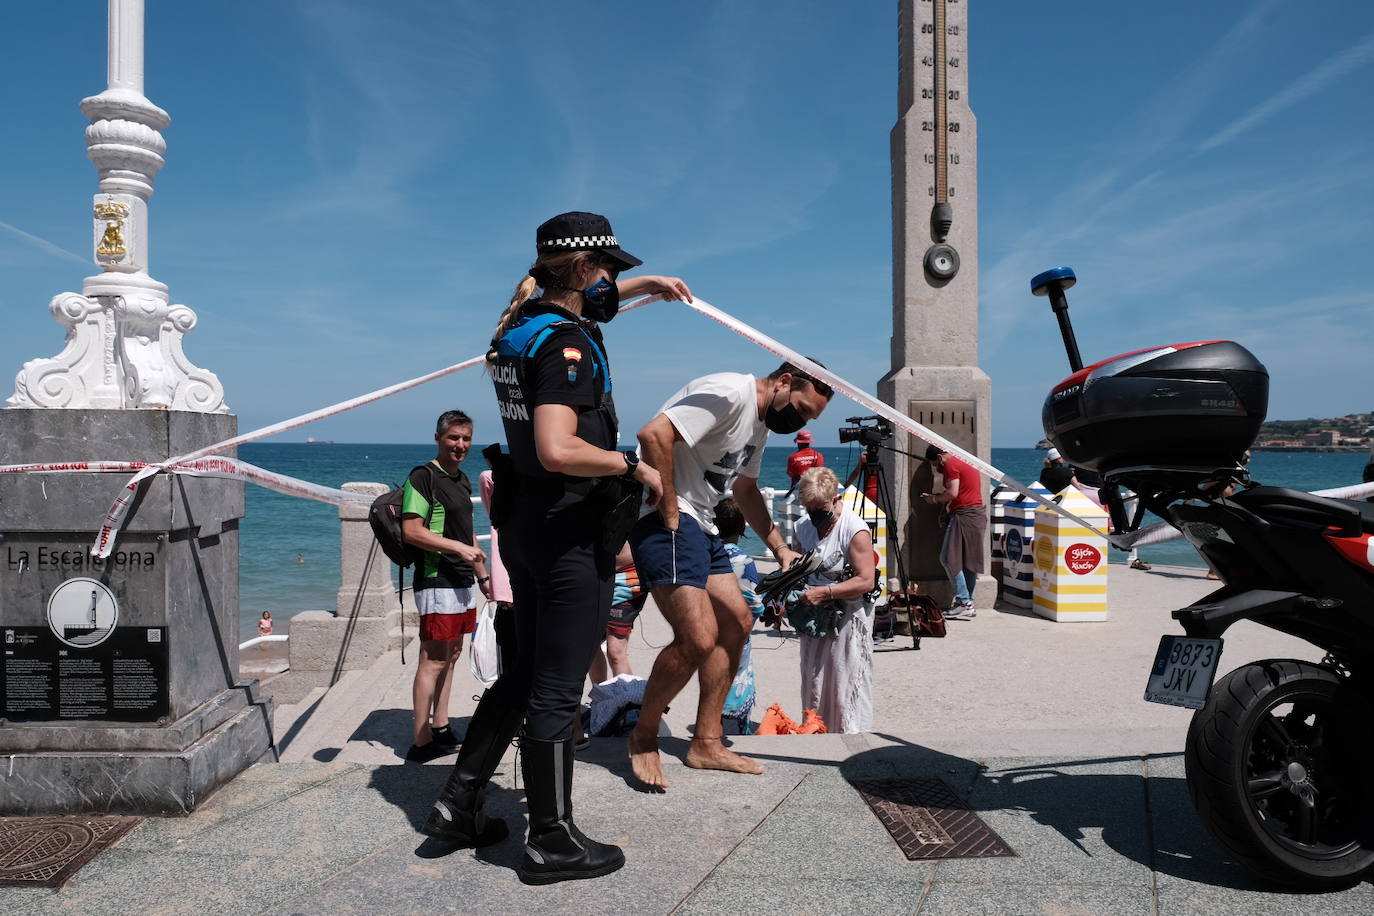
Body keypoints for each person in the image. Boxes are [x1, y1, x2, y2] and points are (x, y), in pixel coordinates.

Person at [421, 211, 685, 886]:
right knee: (557, 686)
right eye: (609, 271)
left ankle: (458, 806)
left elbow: (572, 306)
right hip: (569, 533)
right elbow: (557, 447)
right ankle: (552, 838)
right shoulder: (565, 345)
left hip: (528, 528)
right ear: (579, 270)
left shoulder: (519, 329)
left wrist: (645, 285)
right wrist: (632, 467)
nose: (613, 285)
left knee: (522, 672)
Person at [628, 360, 834, 789]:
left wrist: (779, 547)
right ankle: (644, 737)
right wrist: (668, 509)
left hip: (702, 526)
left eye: (808, 418)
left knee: (738, 621)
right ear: (782, 381)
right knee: (697, 638)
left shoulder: (758, 425)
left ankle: (706, 742)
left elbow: (744, 490)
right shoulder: (730, 393)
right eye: (800, 409)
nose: (799, 419)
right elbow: (652, 435)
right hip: (667, 519)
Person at [401, 410, 491, 763]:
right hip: (436, 579)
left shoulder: (461, 480)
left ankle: (441, 725)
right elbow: (412, 530)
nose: (460, 445)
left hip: (461, 580)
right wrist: (459, 548)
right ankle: (420, 741)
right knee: (433, 659)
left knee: (452, 655)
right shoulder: (424, 476)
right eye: (453, 437)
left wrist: (482, 574)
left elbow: (465, 531)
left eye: (466, 438)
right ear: (438, 438)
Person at [794, 467, 876, 734]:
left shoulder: (854, 529)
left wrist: (827, 592)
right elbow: (797, 567)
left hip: (848, 617)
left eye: (820, 508)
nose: (814, 514)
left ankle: (851, 740)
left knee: (844, 684)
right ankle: (817, 734)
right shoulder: (803, 527)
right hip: (815, 619)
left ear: (835, 499)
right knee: (814, 681)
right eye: (810, 508)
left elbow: (866, 580)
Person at [715, 498, 764, 734]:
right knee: (738, 676)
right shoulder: (745, 561)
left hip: (711, 628)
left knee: (713, 676)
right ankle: (736, 727)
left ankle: (714, 723)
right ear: (742, 527)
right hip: (737, 630)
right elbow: (754, 602)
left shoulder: (708, 556)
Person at [921, 444, 985, 620]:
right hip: (977, 514)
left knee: (948, 558)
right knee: (969, 562)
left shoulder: (950, 464)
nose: (936, 468)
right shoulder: (965, 460)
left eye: (935, 464)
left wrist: (933, 499)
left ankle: (964, 602)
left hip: (963, 516)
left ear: (940, 457)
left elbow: (953, 493)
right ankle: (966, 602)